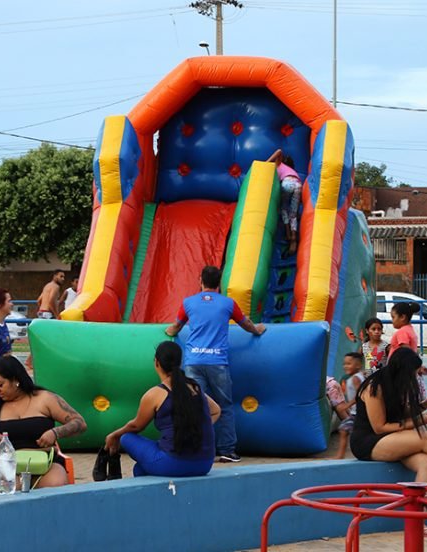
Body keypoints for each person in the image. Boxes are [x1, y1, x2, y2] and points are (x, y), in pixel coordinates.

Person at [165, 265, 266, 463]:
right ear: (219, 284)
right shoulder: (228, 304)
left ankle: (198, 449)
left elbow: (175, 327)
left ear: (200, 280)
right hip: (217, 362)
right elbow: (246, 324)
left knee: (195, 406)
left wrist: (166, 333)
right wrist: (257, 330)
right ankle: (227, 450)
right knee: (225, 406)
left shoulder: (188, 303)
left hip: (193, 361)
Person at [350, 347, 427, 494]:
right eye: (413, 374)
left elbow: (400, 414)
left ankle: (421, 513)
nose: (415, 378)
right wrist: (419, 421)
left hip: (391, 439)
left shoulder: (394, 384)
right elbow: (380, 427)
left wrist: (425, 405)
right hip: (368, 442)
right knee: (424, 437)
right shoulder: (375, 387)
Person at [105, 341, 220, 477]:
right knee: (140, 469)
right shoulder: (195, 388)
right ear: (180, 362)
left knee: (126, 438)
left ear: (156, 363)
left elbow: (136, 426)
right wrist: (193, 429)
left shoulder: (155, 394)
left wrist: (115, 435)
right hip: (204, 464)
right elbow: (216, 410)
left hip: (174, 463)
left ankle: (112, 468)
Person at [0, 356, 87, 488]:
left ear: (16, 380)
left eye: (0, 385)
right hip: (10, 463)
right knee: (11, 487)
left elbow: (79, 422)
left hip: (45, 461)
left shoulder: (44, 398)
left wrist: (55, 432)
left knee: (55, 483)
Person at [389, 301, 427, 399]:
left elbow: (406, 351)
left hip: (400, 370)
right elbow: (413, 351)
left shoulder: (402, 332)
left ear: (402, 317)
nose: (392, 320)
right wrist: (418, 365)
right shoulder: (410, 330)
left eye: (393, 317)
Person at [266, 149, 302, 254]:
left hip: (287, 183)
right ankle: (293, 240)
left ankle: (287, 233)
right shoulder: (292, 171)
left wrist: (267, 162)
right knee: (293, 213)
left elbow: (279, 151)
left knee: (283, 208)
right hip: (298, 184)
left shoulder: (278, 164)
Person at [332, 352, 365, 460]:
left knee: (343, 429)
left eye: (349, 364)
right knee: (347, 430)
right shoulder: (358, 376)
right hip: (358, 412)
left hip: (359, 413)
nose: (346, 366)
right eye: (344, 364)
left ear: (358, 365)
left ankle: (340, 456)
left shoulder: (356, 379)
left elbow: (360, 395)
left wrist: (346, 406)